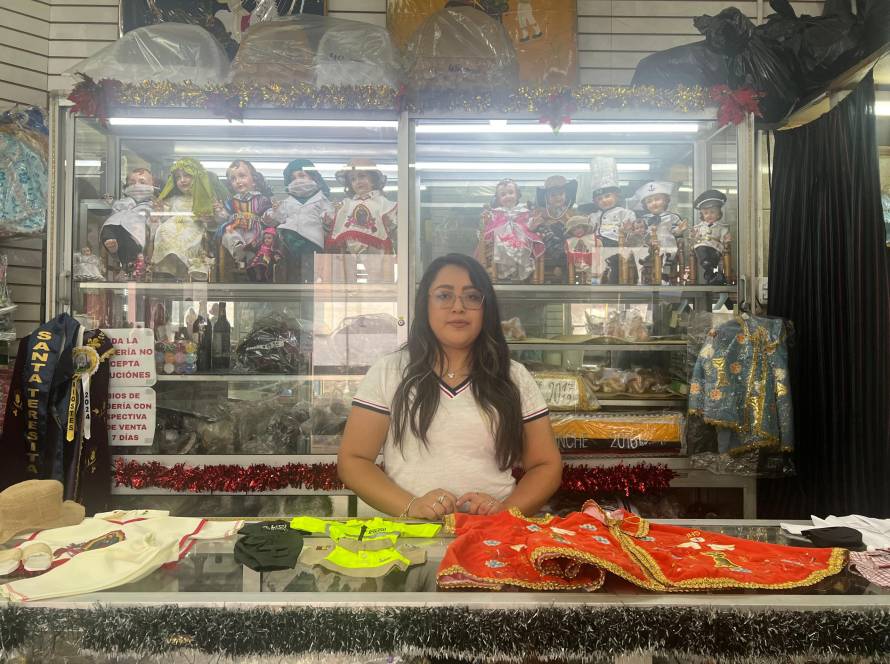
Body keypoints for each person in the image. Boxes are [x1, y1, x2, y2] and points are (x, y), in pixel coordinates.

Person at [337, 253, 562, 520]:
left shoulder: (514, 377)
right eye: (444, 295)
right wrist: (412, 506)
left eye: (472, 296)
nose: (458, 307)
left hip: (491, 535)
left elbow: (546, 465)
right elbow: (354, 460)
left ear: (486, 308)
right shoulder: (389, 371)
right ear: (426, 305)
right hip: (413, 534)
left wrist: (504, 512)